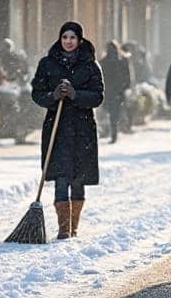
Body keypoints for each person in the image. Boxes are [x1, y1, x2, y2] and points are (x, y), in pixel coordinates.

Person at [31, 21, 104, 240]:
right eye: (65, 37)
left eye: (72, 38)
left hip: (82, 130)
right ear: (60, 39)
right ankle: (63, 229)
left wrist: (75, 94)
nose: (68, 42)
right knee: (61, 176)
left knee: (78, 178)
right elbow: (37, 93)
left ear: (79, 40)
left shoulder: (91, 66)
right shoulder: (47, 64)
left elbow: (98, 97)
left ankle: (73, 226)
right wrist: (53, 96)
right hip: (57, 128)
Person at [101, 41, 133, 144]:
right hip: (118, 91)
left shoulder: (104, 62)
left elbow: (101, 77)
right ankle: (117, 129)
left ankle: (114, 131)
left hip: (109, 91)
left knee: (112, 113)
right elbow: (127, 75)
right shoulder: (122, 60)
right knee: (117, 111)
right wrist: (126, 86)